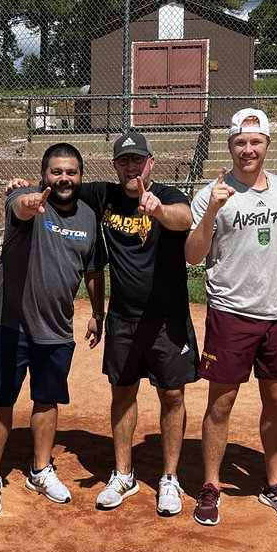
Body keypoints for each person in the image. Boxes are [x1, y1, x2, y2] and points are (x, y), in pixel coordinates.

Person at [185, 108, 277, 527]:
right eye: (240, 142)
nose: (248, 149)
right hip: (231, 311)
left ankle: (274, 482)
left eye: (256, 142)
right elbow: (192, 255)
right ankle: (212, 484)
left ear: (267, 145)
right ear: (230, 145)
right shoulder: (212, 193)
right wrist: (209, 212)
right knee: (221, 403)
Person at [0, 143, 106, 516]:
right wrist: (29, 204)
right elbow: (18, 207)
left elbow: (93, 271)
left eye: (71, 172)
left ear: (80, 176)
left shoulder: (87, 217)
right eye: (56, 172)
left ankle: (40, 468)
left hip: (56, 325)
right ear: (43, 173)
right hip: (11, 321)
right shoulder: (25, 197)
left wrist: (98, 311)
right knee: (2, 399)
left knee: (47, 399)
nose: (63, 179)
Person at [76, 132, 197, 515]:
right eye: (124, 160)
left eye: (138, 160)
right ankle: (123, 473)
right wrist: (22, 187)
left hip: (167, 318)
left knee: (172, 396)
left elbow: (185, 218)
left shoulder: (169, 195)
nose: (132, 167)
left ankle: (170, 478)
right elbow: (62, 185)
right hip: (124, 319)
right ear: (115, 166)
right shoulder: (105, 196)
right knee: (123, 392)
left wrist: (158, 209)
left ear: (151, 163)